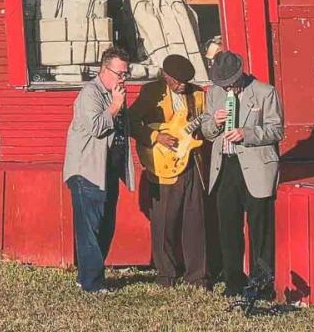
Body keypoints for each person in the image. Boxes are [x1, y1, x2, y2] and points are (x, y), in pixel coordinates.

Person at [193, 50, 283, 298]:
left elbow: (276, 130)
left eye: (230, 81)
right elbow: (208, 132)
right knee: (228, 228)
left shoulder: (265, 92)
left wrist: (247, 133)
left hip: (256, 166)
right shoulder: (214, 94)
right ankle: (234, 282)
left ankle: (262, 284)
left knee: (259, 228)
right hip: (225, 166)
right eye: (222, 83)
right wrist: (216, 123)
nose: (227, 87)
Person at [129, 54, 209, 287]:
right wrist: (156, 136)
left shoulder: (197, 95)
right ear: (166, 76)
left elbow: (203, 126)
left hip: (192, 162)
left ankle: (198, 276)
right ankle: (166, 274)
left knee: (195, 219)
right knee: (164, 220)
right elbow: (131, 121)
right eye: (178, 82)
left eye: (186, 81)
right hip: (162, 164)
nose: (182, 86)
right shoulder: (151, 92)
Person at [62, 46, 136, 293]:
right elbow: (96, 127)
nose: (123, 79)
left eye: (126, 74)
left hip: (107, 170)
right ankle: (92, 283)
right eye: (119, 73)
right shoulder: (90, 94)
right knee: (90, 228)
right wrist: (115, 106)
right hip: (87, 171)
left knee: (105, 225)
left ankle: (87, 275)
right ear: (105, 70)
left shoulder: (116, 93)